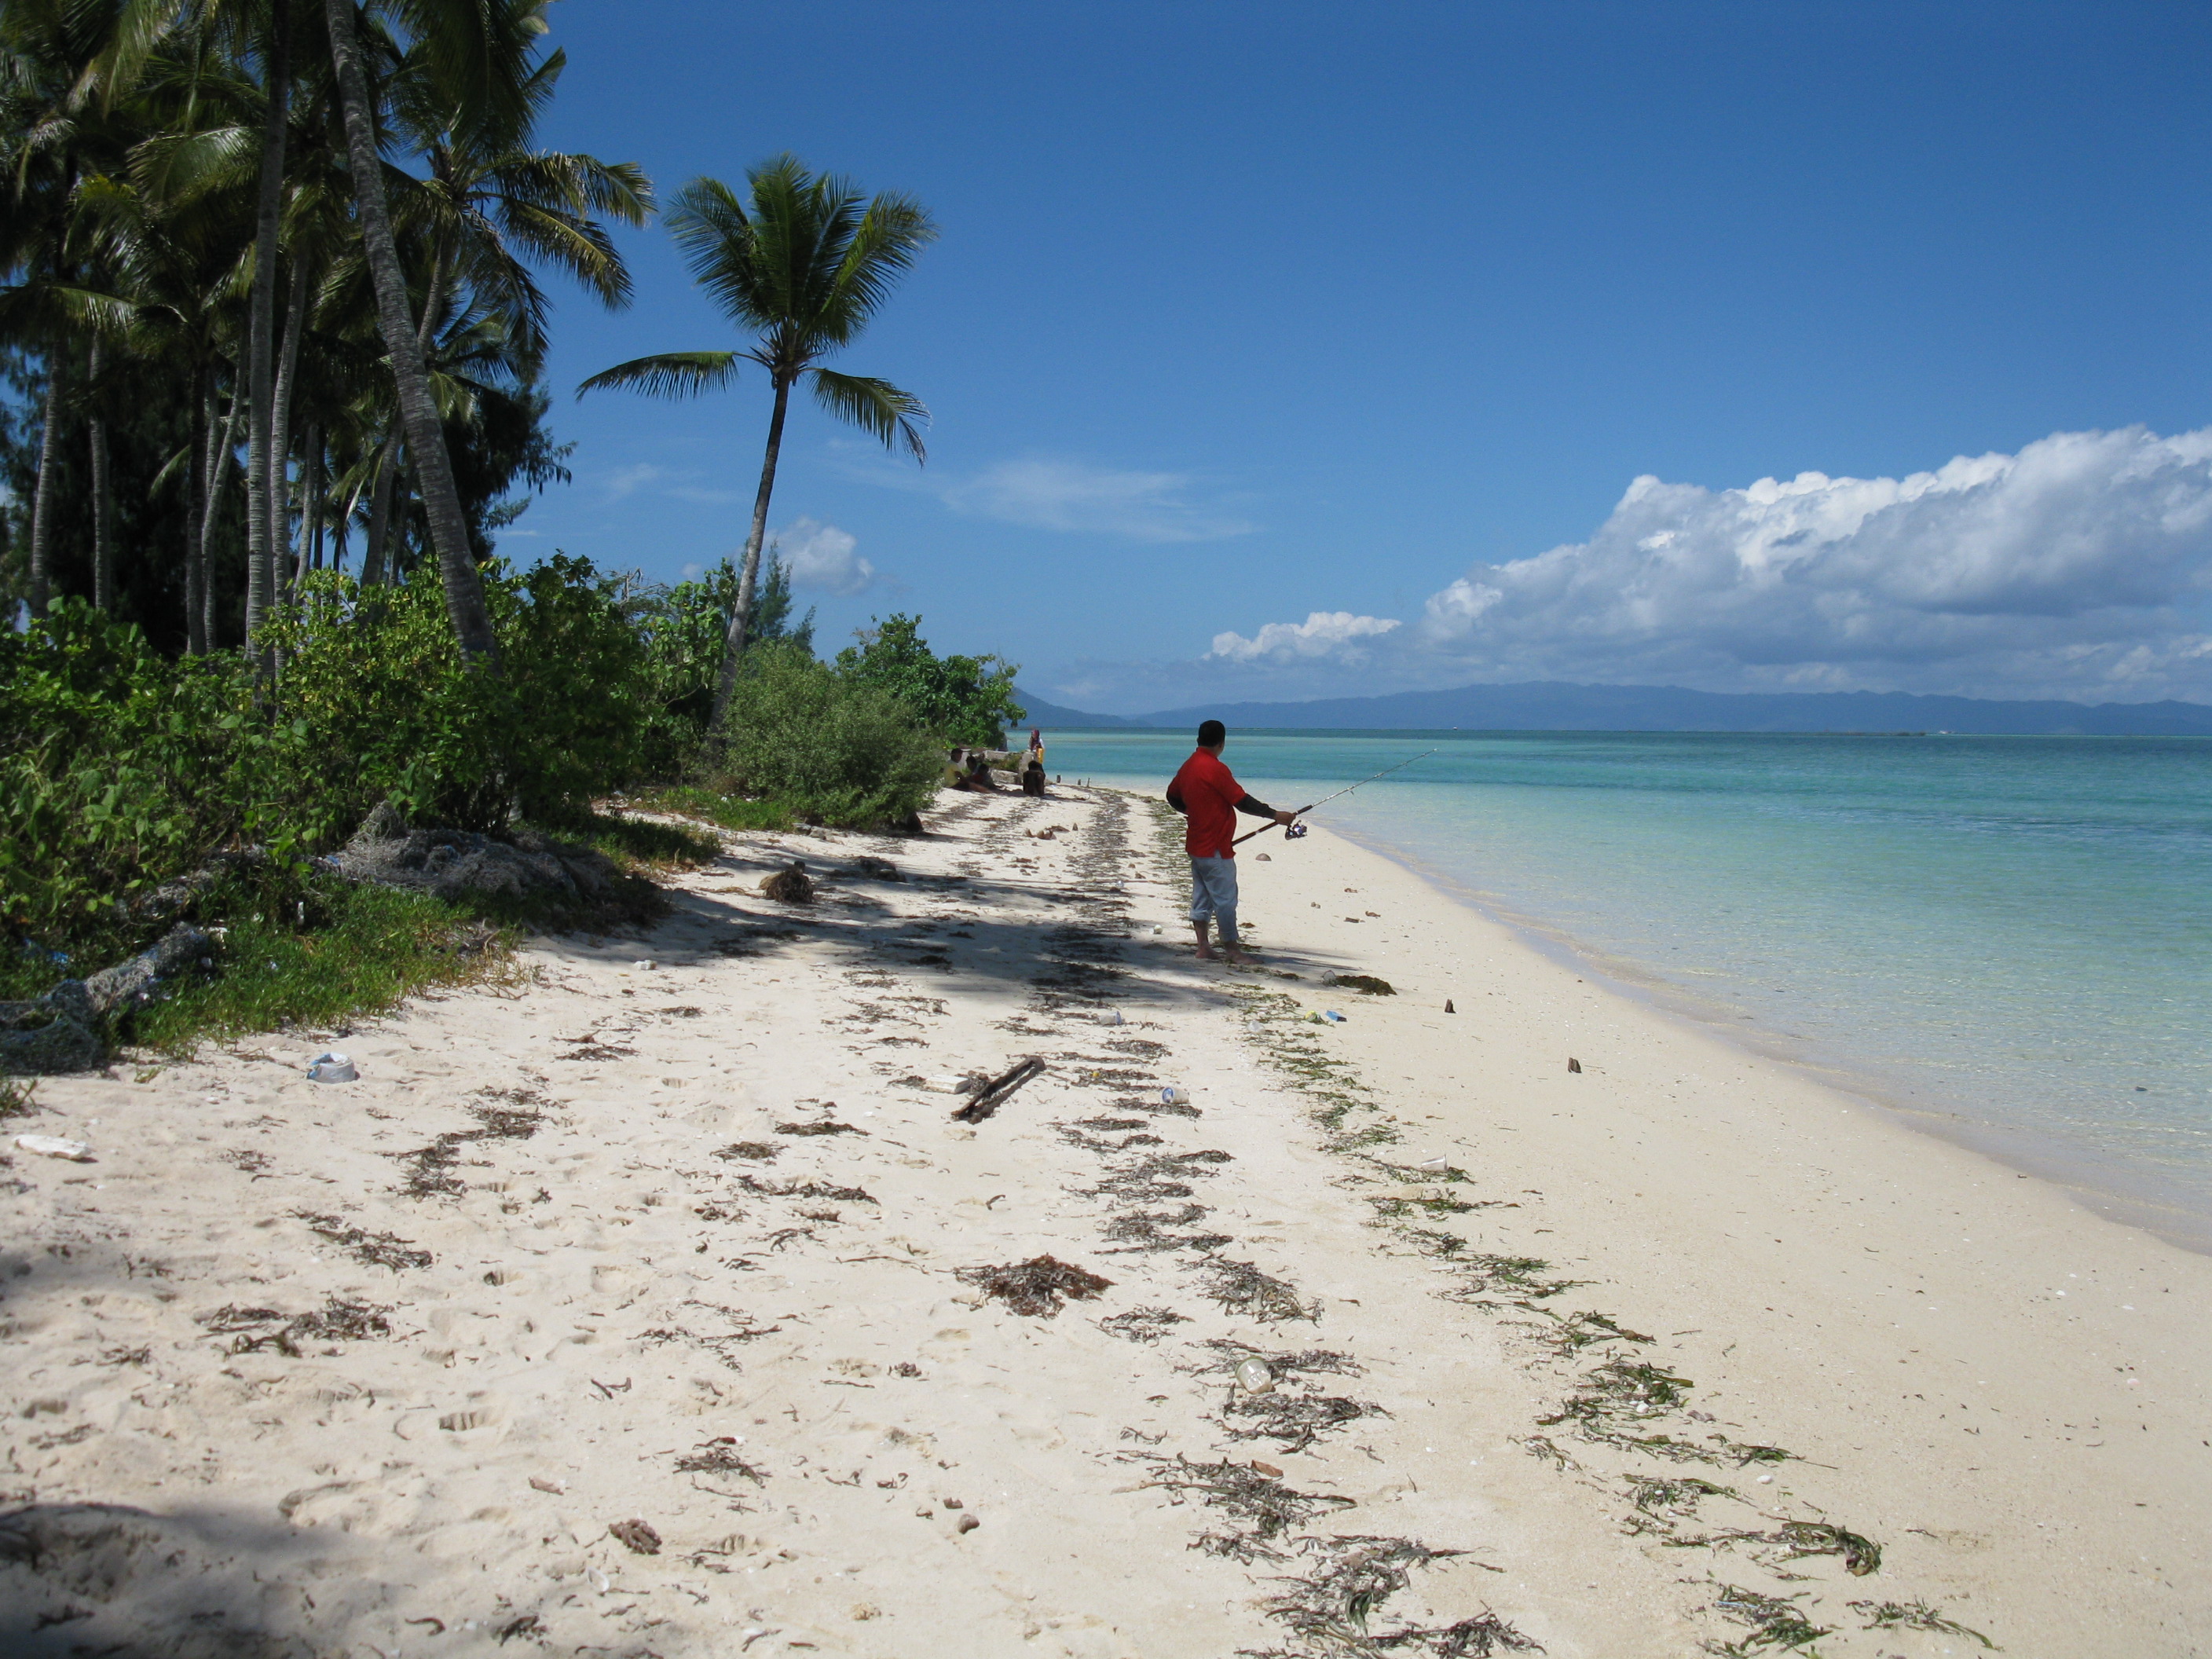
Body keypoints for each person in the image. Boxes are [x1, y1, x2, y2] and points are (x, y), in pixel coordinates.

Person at [1165, 720, 1295, 965]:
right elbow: (1242, 801)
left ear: (1198, 740)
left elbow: (1172, 796)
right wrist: (1275, 816)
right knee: (1225, 899)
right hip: (1214, 847)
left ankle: (1203, 947)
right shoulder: (1215, 768)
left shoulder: (1190, 765)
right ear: (1222, 743)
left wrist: (1192, 813)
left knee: (1202, 896)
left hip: (1197, 843)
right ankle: (1232, 950)